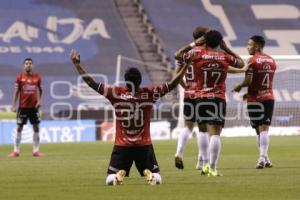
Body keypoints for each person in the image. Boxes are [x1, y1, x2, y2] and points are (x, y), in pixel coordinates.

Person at [70, 49, 188, 185]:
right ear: (140, 81)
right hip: (144, 145)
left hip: (122, 145)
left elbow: (92, 84)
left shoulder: (115, 93)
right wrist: (186, 65)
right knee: (158, 178)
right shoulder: (149, 93)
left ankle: (118, 175)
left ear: (126, 81)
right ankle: (148, 173)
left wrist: (77, 65)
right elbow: (172, 84)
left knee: (109, 179)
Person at [183, 30, 248, 176]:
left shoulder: (197, 54)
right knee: (215, 134)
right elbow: (241, 63)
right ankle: (212, 167)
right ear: (219, 42)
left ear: (204, 41)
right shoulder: (224, 57)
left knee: (203, 130)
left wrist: (194, 44)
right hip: (217, 98)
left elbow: (178, 54)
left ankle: (203, 162)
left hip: (199, 97)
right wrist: (225, 48)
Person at [233, 35, 276, 169]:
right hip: (268, 97)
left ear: (256, 46)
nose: (247, 47)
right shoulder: (271, 60)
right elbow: (265, 81)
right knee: (263, 130)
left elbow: (249, 81)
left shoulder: (252, 60)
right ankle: (266, 158)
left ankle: (262, 158)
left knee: (260, 130)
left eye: (249, 44)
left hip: (255, 100)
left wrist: (239, 86)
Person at [173, 26, 210, 170]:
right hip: (203, 94)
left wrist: (187, 87)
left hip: (189, 93)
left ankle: (179, 153)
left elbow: (176, 75)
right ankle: (201, 162)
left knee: (187, 126)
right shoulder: (205, 52)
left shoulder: (185, 52)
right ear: (203, 37)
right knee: (203, 128)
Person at [8, 58, 44, 157]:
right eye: (26, 63)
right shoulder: (20, 77)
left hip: (34, 108)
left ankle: (36, 151)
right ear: (24, 65)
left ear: (32, 65)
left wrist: (40, 101)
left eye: (30, 63)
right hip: (23, 107)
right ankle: (16, 151)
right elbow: (16, 92)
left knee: (36, 127)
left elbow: (41, 90)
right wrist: (13, 105)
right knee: (19, 128)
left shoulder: (37, 77)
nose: (28, 65)